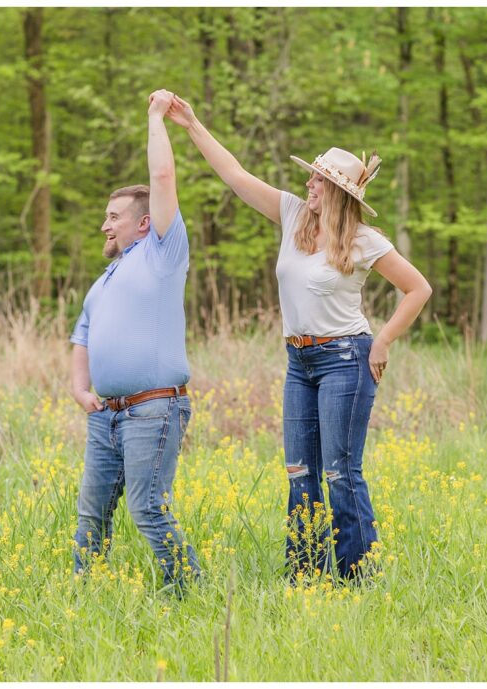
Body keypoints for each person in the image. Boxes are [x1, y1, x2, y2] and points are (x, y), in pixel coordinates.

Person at [165, 94, 432, 581]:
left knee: (340, 473)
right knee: (299, 473)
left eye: (318, 178)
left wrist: (385, 340)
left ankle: (357, 578)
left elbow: (418, 288)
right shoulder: (292, 217)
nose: (309, 182)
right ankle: (307, 578)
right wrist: (192, 124)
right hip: (299, 363)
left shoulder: (364, 241)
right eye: (312, 175)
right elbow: (235, 174)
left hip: (346, 360)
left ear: (338, 191)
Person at [69, 89, 198, 589]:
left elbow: (163, 177)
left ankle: (188, 593)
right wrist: (81, 390)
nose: (104, 223)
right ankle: (86, 597)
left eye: (113, 216)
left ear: (144, 223)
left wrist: (155, 118)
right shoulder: (105, 279)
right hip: (108, 414)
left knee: (148, 510)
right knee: (90, 518)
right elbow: (81, 335)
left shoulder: (162, 254)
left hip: (153, 409)